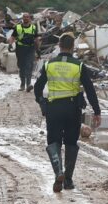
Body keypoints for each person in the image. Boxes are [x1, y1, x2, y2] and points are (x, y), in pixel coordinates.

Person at [34, 33, 101, 193]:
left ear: (59, 46)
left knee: (53, 141)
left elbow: (37, 87)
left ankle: (58, 172)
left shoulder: (49, 64)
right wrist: (97, 111)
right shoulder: (78, 66)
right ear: (72, 47)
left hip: (54, 109)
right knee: (71, 142)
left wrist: (42, 102)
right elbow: (90, 90)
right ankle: (68, 181)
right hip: (72, 110)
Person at [8, 12, 40, 91]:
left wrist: (38, 49)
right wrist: (10, 44)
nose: (26, 18)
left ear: (29, 18)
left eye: (27, 17)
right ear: (22, 18)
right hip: (20, 49)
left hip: (30, 49)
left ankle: (28, 84)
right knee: (21, 66)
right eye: (24, 17)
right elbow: (13, 37)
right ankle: (22, 84)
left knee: (29, 66)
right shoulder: (18, 27)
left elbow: (36, 39)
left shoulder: (33, 27)